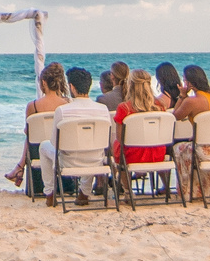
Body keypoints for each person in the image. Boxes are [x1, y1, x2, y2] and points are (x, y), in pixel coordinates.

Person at [52, 64, 114, 196]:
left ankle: (49, 193)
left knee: (44, 147)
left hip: (69, 162)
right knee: (90, 146)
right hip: (96, 160)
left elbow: (54, 143)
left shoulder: (62, 110)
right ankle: (84, 193)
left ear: (72, 87)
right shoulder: (103, 109)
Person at [173, 63, 210, 200]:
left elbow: (175, 116)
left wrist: (182, 96)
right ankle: (205, 189)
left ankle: (189, 192)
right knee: (188, 147)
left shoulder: (191, 101)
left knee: (178, 148)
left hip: (205, 150)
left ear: (190, 83)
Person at [112, 71, 169, 197]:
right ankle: (166, 186)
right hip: (157, 154)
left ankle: (128, 191)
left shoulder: (124, 108)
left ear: (130, 85)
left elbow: (121, 139)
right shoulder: (160, 106)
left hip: (133, 157)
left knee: (117, 145)